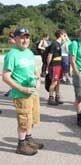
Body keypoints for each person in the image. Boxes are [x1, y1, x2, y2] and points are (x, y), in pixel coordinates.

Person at [2, 27, 44, 155]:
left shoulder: (29, 53)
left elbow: (35, 70)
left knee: (32, 118)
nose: (25, 40)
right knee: (24, 119)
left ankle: (28, 139)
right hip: (21, 94)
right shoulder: (11, 55)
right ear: (15, 39)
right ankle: (21, 145)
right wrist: (21, 88)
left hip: (33, 92)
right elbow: (5, 76)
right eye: (21, 37)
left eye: (27, 37)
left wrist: (38, 80)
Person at [47, 29, 66, 105]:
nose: (65, 37)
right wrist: (48, 66)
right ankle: (50, 98)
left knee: (58, 82)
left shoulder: (59, 44)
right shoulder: (54, 43)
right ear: (61, 35)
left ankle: (57, 97)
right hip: (54, 65)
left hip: (59, 65)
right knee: (54, 82)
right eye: (64, 35)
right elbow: (50, 55)